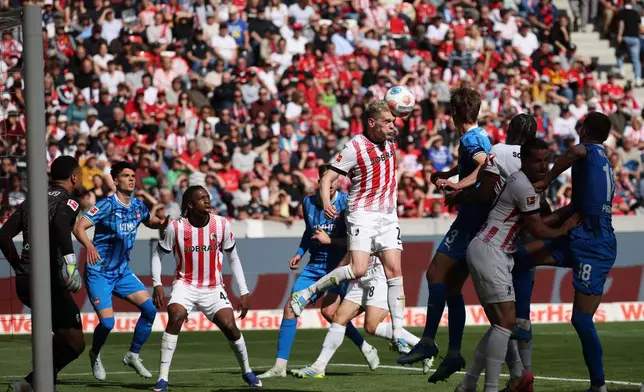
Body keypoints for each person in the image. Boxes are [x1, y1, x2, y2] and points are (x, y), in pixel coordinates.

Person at [455, 138, 580, 392]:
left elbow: (538, 218)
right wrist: (564, 229)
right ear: (523, 160)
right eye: (537, 160)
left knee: (501, 325)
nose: (543, 165)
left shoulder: (522, 183)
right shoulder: (523, 185)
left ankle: (468, 385)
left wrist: (568, 210)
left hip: (490, 251)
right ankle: (488, 387)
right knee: (506, 322)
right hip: (492, 252)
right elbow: (539, 228)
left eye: (546, 160)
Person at [289, 100, 407, 351]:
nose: (392, 126)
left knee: (395, 270)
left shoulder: (389, 139)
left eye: (393, 121)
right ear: (372, 123)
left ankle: (399, 334)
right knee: (358, 269)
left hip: (387, 213)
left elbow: (387, 107)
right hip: (362, 212)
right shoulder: (355, 146)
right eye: (387, 122)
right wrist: (326, 201)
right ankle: (309, 291)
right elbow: (328, 177)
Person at [398, 87, 492, 382]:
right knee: (452, 287)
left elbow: (484, 166)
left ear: (456, 114)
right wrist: (449, 175)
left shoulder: (471, 138)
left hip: (470, 221)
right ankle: (453, 352)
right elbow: (472, 164)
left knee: (434, 272)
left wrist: (458, 186)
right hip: (476, 219)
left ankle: (427, 341)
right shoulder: (477, 137)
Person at [258, 164, 377, 379]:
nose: (330, 184)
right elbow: (308, 232)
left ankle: (365, 347)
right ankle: (279, 367)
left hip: (338, 266)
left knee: (330, 313)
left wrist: (329, 240)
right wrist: (299, 252)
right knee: (290, 307)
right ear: (319, 181)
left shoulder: (346, 203)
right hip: (314, 266)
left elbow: (355, 241)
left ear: (339, 182)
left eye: (334, 180)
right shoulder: (308, 202)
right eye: (326, 180)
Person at [445, 113, 539, 378]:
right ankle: (525, 373)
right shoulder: (536, 160)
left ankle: (499, 379)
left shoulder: (498, 151)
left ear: (510, 130)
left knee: (501, 318)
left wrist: (459, 195)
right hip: (527, 236)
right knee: (521, 315)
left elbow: (485, 191)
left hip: (499, 237)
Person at [531, 112, 617, 392]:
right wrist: (540, 223)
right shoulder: (600, 163)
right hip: (578, 233)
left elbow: (575, 151)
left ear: (584, 129)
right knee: (522, 257)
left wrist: (547, 179)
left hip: (594, 243)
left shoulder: (589, 152)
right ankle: (519, 322)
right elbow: (573, 209)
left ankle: (598, 386)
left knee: (581, 319)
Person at [150, 185, 262, 391]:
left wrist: (244, 291)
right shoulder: (176, 228)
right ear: (191, 204)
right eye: (201, 198)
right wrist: (157, 283)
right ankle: (162, 378)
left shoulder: (222, 225)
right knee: (175, 316)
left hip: (213, 287)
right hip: (185, 284)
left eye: (208, 197)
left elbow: (233, 259)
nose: (207, 200)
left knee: (229, 325)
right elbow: (158, 255)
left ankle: (247, 371)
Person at [73, 161, 168, 381]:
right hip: (99, 272)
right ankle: (95, 354)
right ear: (115, 180)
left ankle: (133, 355)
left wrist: (162, 223)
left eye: (133, 175)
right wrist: (89, 246)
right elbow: (79, 227)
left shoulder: (138, 205)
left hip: (122, 272)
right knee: (107, 323)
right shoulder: (106, 205)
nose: (132, 179)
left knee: (150, 310)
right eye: (126, 175)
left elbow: (149, 220)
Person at [0, 156, 84, 392]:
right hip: (49, 281)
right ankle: (36, 382)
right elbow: (59, 224)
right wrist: (70, 262)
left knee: (60, 335)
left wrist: (18, 266)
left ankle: (33, 382)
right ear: (74, 177)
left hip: (26, 282)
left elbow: (3, 236)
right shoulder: (70, 201)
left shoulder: (30, 201)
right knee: (75, 343)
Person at [291, 252, 433, 378]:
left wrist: (339, 262)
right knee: (339, 317)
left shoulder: (372, 224)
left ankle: (423, 347)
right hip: (360, 277)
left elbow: (359, 248)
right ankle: (319, 366)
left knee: (371, 327)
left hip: (378, 276)